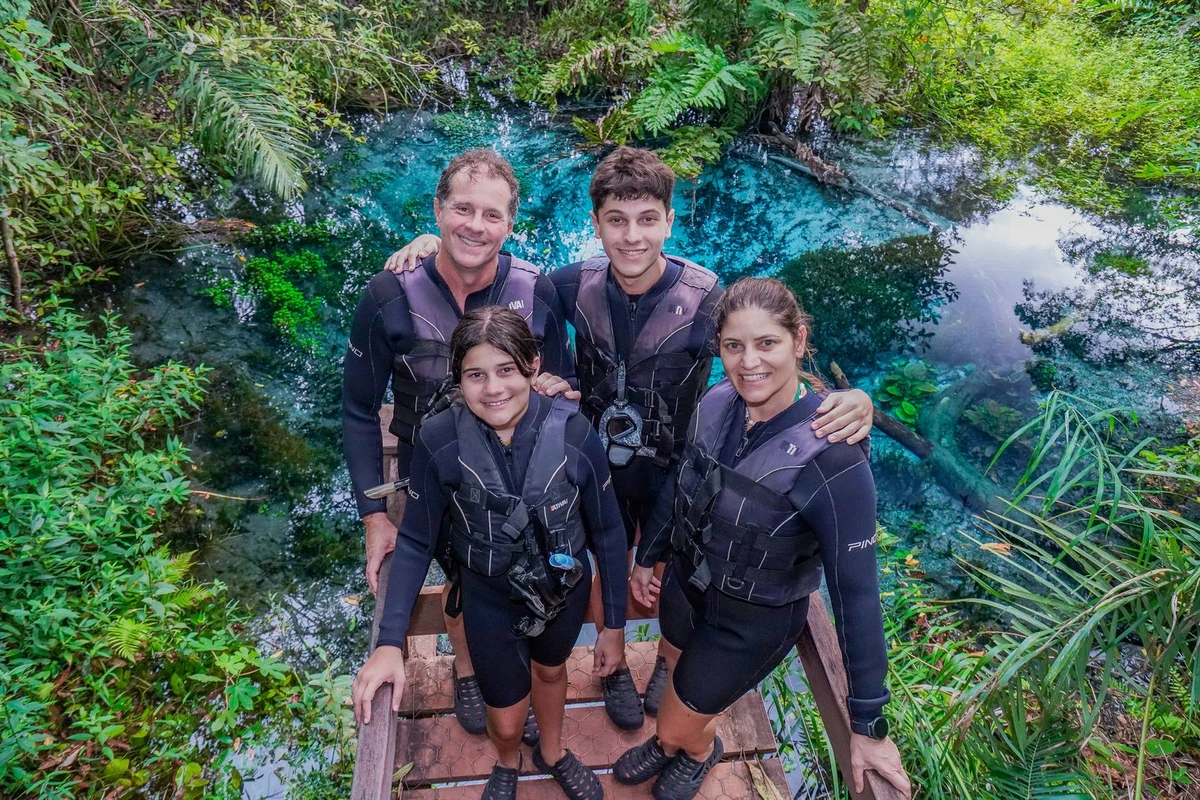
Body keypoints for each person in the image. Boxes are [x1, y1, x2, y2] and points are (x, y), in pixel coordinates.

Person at [383, 146, 876, 732]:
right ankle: (609, 662)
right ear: (596, 226)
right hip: (597, 462)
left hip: (673, 470)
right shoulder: (572, 284)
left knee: (672, 567)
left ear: (670, 221)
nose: (632, 237)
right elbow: (493, 270)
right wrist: (431, 243)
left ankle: (668, 665)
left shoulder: (708, 298)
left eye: (648, 220)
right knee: (595, 555)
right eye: (616, 221)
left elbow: (765, 333)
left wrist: (855, 396)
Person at [615, 278, 911, 800]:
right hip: (687, 584)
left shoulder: (834, 459)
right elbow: (684, 481)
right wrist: (650, 554)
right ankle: (671, 743)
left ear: (798, 340)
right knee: (675, 670)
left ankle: (694, 746)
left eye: (767, 343)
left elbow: (858, 596)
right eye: (733, 346)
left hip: (752, 620)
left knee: (677, 721)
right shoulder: (715, 402)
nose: (749, 362)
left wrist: (867, 724)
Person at [342, 148, 575, 738]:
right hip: (429, 475)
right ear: (438, 210)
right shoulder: (388, 295)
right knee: (460, 579)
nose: (476, 225)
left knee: (514, 571)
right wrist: (374, 514)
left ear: (511, 225)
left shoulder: (534, 290)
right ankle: (469, 670)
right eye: (462, 209)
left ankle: (517, 666)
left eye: (492, 215)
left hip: (518, 475)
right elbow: (358, 408)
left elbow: (566, 382)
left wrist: (557, 385)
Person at [351, 306, 629, 800]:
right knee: (503, 715)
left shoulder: (574, 433)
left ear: (532, 364)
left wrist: (613, 626)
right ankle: (506, 760)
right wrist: (389, 643)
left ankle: (553, 751)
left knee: (552, 669)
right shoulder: (440, 440)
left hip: (562, 593)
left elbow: (608, 531)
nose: (494, 389)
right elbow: (415, 540)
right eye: (476, 375)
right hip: (488, 598)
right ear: (458, 379)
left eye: (506, 370)